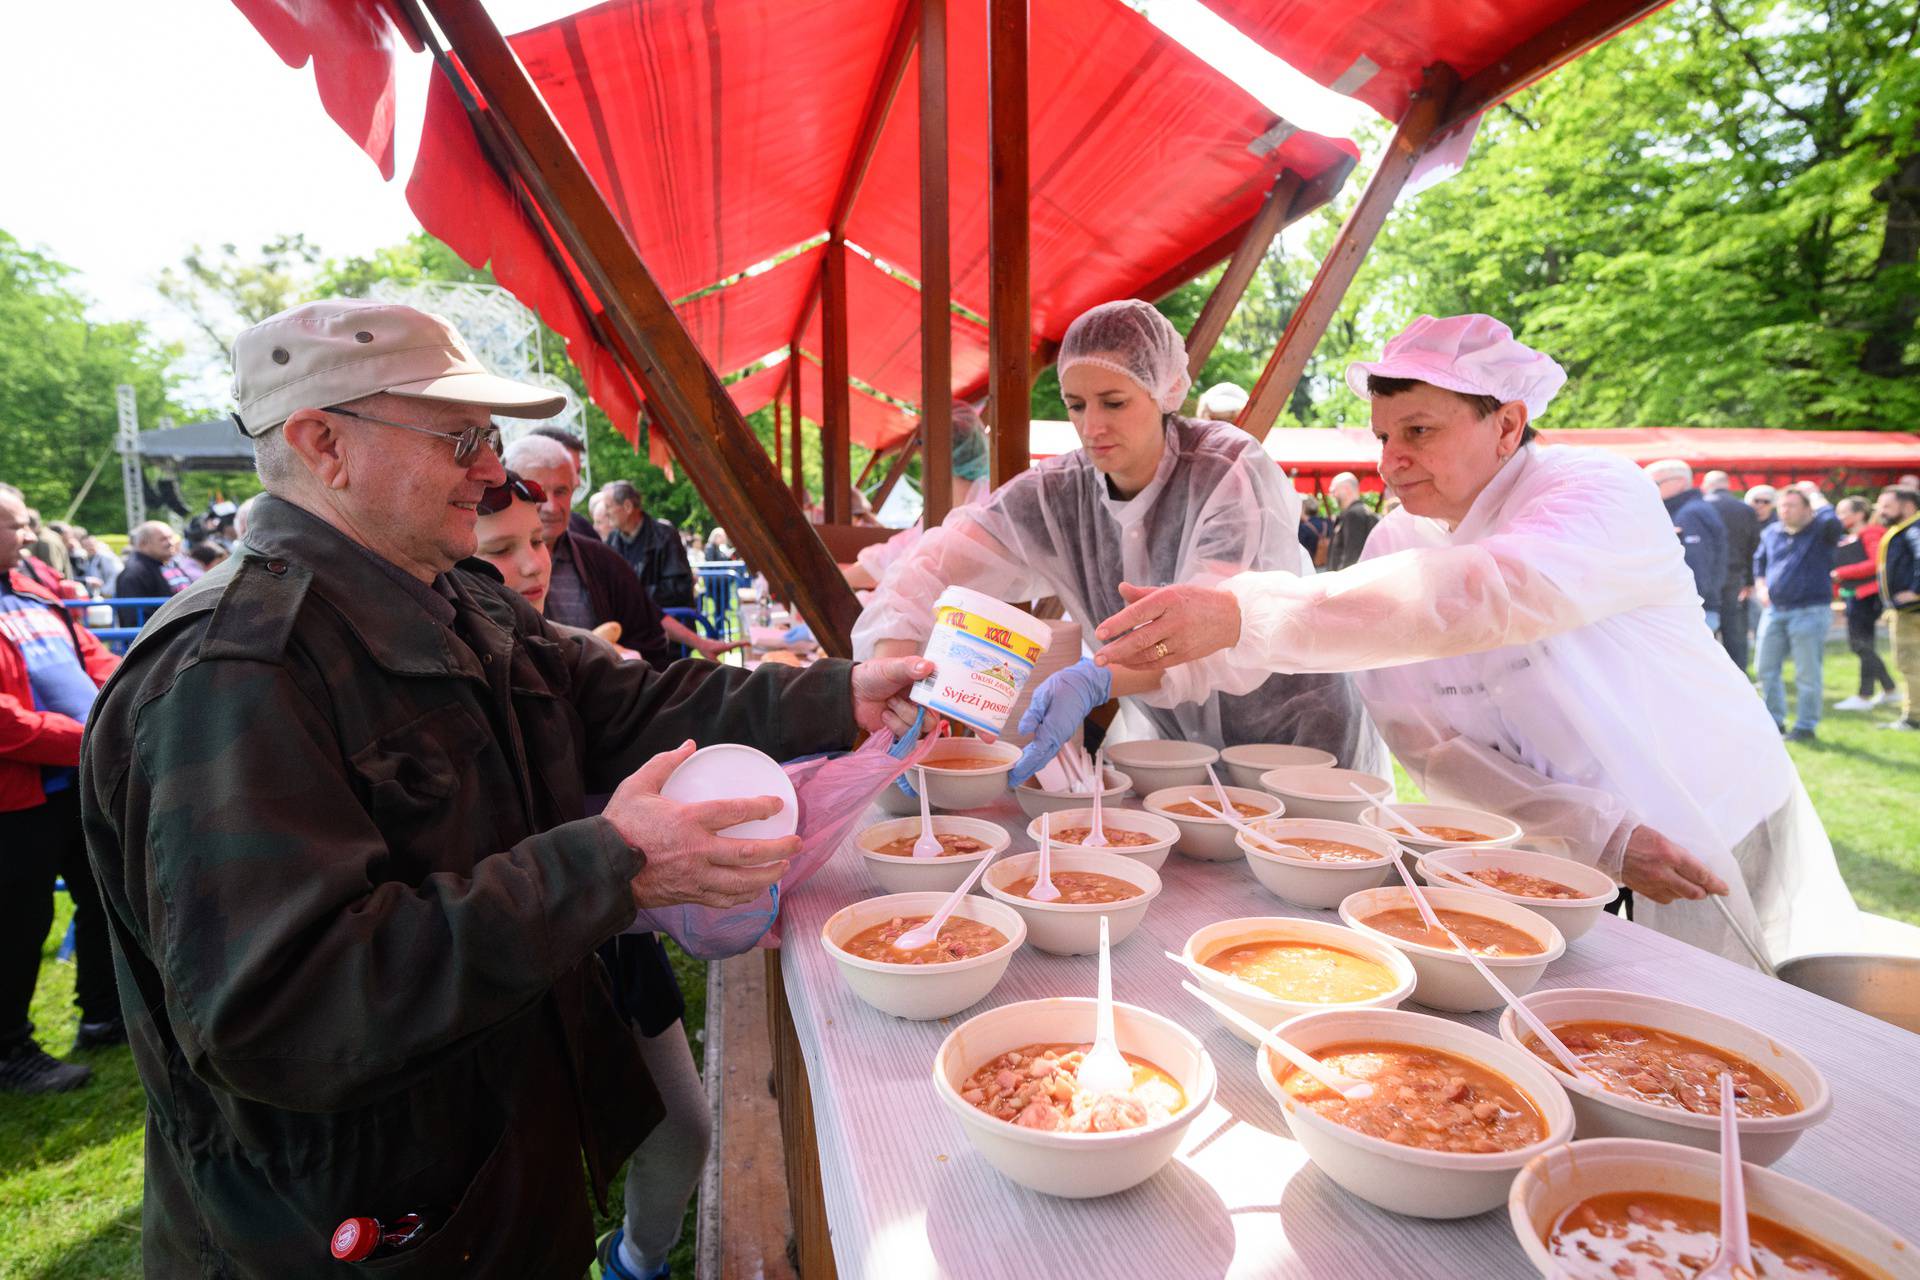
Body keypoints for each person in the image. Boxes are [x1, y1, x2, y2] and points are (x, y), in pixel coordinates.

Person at [78, 298, 932, 1277]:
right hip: (349, 1231)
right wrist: (613, 863)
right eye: (463, 436)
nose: (495, 468)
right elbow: (286, 1011)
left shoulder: (452, 593)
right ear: (324, 445)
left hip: (484, 1178)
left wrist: (844, 692)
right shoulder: (233, 676)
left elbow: (631, 700)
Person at [1091, 314, 1858, 966]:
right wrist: (1593, 830)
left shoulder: (1593, 489)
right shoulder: (1395, 539)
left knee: (1718, 1046)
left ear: (1508, 424)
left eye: (1419, 431)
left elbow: (1490, 594)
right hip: (1551, 847)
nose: (1392, 461)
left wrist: (1239, 613)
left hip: (1703, 813)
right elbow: (1423, 741)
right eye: (1384, 436)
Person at [853, 299, 1375, 777]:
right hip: (1176, 750)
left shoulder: (1227, 468)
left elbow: (1212, 624)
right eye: (1076, 405)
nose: (1092, 426)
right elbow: (933, 565)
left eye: (1114, 402)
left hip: (1295, 729)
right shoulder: (1058, 494)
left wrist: (1095, 678)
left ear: (1163, 390)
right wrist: (900, 666)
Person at [0, 485, 122, 1094]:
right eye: (14, 526)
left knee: (105, 895)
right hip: (16, 800)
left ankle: (104, 1014)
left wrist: (122, 701)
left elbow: (91, 655)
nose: (26, 536)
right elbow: (4, 721)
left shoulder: (31, 586)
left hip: (76, 784)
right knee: (18, 922)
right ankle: (8, 1050)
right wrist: (87, 738)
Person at [502, 434, 679, 668]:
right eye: (537, 492)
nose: (552, 506)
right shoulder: (481, 563)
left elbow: (648, 640)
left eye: (561, 491)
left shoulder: (602, 561)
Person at [842, 402, 992, 592]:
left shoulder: (974, 518)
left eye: (923, 459)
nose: (921, 481)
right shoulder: (963, 510)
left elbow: (887, 562)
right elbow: (888, 556)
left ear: (936, 459)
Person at [1753, 487, 1842, 740]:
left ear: (1807, 508)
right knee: (1765, 668)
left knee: (1806, 672)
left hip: (1810, 611)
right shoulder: (1772, 532)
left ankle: (1805, 726)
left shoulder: (1820, 531)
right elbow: (1759, 562)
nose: (1785, 510)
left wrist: (1814, 494)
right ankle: (1774, 722)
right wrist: (1761, 586)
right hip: (1774, 611)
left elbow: (1833, 520)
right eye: (1782, 505)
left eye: (1792, 505)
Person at [1830, 496, 1898, 712]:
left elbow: (1876, 562)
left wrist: (1841, 573)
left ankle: (1865, 695)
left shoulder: (1871, 532)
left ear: (1859, 514)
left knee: (1861, 645)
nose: (1839, 517)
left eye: (1843, 512)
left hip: (1867, 596)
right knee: (1862, 645)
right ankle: (1890, 690)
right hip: (1855, 596)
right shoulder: (1851, 536)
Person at [1646, 459, 1727, 633]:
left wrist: (1687, 604)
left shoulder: (1690, 513)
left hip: (1691, 611)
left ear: (1680, 482)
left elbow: (1698, 565)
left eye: (1654, 483)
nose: (1649, 489)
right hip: (1690, 608)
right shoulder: (1686, 510)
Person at [603, 479, 696, 609]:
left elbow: (677, 587)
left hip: (664, 623)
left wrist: (632, 598)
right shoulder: (612, 540)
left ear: (627, 507)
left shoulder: (664, 536)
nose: (605, 513)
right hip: (630, 623)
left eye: (608, 507)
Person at [1702, 471, 1760, 672]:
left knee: (1706, 630)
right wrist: (1750, 580)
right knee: (1735, 633)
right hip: (1735, 576)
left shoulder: (1701, 507)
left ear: (1707, 485)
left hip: (1706, 577)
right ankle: (1739, 676)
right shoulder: (1745, 509)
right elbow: (1754, 547)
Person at [1877, 485, 1920, 730]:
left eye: (1887, 506)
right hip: (1907, 611)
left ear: (1907, 505)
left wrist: (1915, 590)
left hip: (1911, 612)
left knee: (1909, 663)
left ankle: (1913, 717)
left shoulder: (1913, 529)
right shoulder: (1906, 529)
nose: (1882, 511)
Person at [528, 423, 602, 543]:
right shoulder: (497, 535)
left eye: (577, 472)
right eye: (568, 471)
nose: (577, 482)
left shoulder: (583, 530)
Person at [110, 520, 188, 625]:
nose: (170, 543)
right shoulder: (134, 573)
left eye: (171, 537)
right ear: (143, 544)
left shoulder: (167, 564)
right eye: (163, 539)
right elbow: (134, 618)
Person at [1325, 471, 1378, 571]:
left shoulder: (1354, 514)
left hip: (1348, 581)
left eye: (1334, 490)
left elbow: (1352, 556)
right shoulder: (1362, 511)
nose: (1332, 495)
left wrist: (1341, 583)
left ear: (1347, 489)